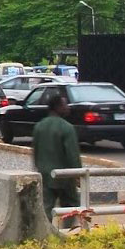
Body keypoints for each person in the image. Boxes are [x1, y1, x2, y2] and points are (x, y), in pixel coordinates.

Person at [32, 91, 82, 226]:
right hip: (65, 176)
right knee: (71, 205)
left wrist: (38, 168)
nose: (68, 108)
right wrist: (78, 175)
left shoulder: (39, 126)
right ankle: (66, 231)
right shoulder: (67, 128)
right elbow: (72, 154)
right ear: (58, 107)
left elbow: (35, 151)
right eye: (65, 105)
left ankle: (45, 232)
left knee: (46, 206)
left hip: (45, 174)